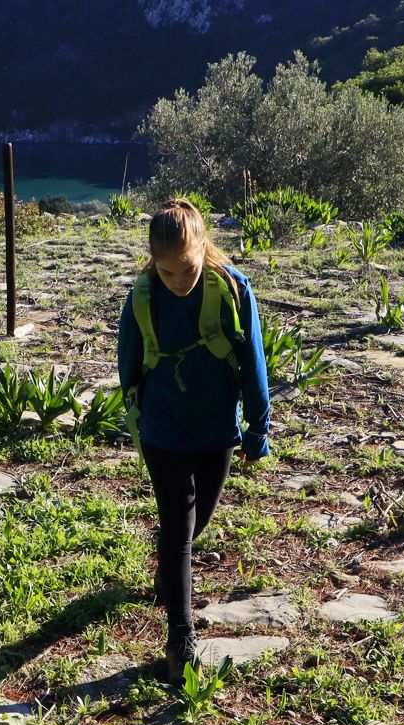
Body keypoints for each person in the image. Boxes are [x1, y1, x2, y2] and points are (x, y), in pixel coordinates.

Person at [117, 198, 272, 680]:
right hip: (163, 427)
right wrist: (138, 419)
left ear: (204, 247)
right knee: (177, 524)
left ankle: (167, 572)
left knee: (198, 517)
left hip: (216, 428)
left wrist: (258, 426)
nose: (178, 281)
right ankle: (179, 638)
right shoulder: (142, 295)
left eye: (186, 270)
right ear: (152, 263)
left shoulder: (233, 289)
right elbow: (129, 362)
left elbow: (253, 364)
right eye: (166, 273)